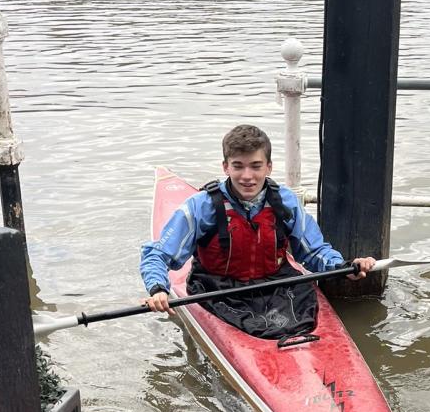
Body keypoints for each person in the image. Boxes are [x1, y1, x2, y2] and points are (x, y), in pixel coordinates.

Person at [140, 124, 376, 340]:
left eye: (256, 166)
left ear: (269, 167)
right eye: (238, 166)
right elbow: (157, 254)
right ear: (225, 167)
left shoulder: (285, 202)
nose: (247, 176)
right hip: (218, 288)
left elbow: (313, 251)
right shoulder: (200, 207)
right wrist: (158, 289)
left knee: (304, 311)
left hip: (275, 284)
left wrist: (342, 267)